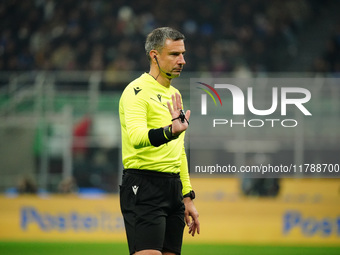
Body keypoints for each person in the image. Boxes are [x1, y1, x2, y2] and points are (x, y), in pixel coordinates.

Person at [119, 27, 200, 255]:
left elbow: (179, 151)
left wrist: (187, 197)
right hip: (144, 186)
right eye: (174, 54)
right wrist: (169, 132)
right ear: (154, 55)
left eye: (183, 54)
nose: (182, 60)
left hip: (173, 188)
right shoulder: (136, 91)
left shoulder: (175, 95)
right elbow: (136, 137)